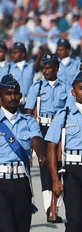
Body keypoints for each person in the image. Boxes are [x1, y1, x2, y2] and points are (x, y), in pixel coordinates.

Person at [45, 71, 82, 232]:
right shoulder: (63, 115)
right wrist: (55, 179)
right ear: (73, 92)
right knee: (75, 219)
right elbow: (51, 148)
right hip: (71, 172)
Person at [24, 52, 68, 222]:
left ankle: (55, 207)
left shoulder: (65, 87)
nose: (46, 70)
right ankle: (48, 207)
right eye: (44, 67)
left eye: (49, 67)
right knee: (44, 167)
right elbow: (29, 111)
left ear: (56, 68)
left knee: (58, 166)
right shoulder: (37, 86)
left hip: (58, 128)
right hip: (41, 127)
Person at [0, 74, 47, 232]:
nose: (13, 97)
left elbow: (36, 139)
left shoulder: (29, 121)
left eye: (16, 94)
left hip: (22, 183)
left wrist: (41, 154)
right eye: (8, 93)